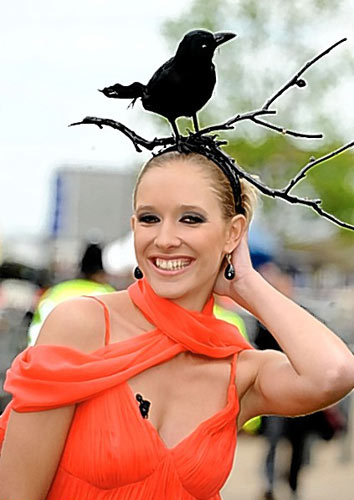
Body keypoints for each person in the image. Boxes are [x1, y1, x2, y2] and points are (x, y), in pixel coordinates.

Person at [0, 148, 353, 500]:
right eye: (150, 218)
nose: (165, 239)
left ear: (234, 233)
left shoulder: (239, 371)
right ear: (133, 226)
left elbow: (334, 373)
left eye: (191, 219)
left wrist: (246, 282)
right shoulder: (81, 325)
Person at [27, 241, 116, 345]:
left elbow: (36, 330)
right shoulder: (108, 295)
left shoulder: (56, 291)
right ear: (101, 273)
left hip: (45, 355)